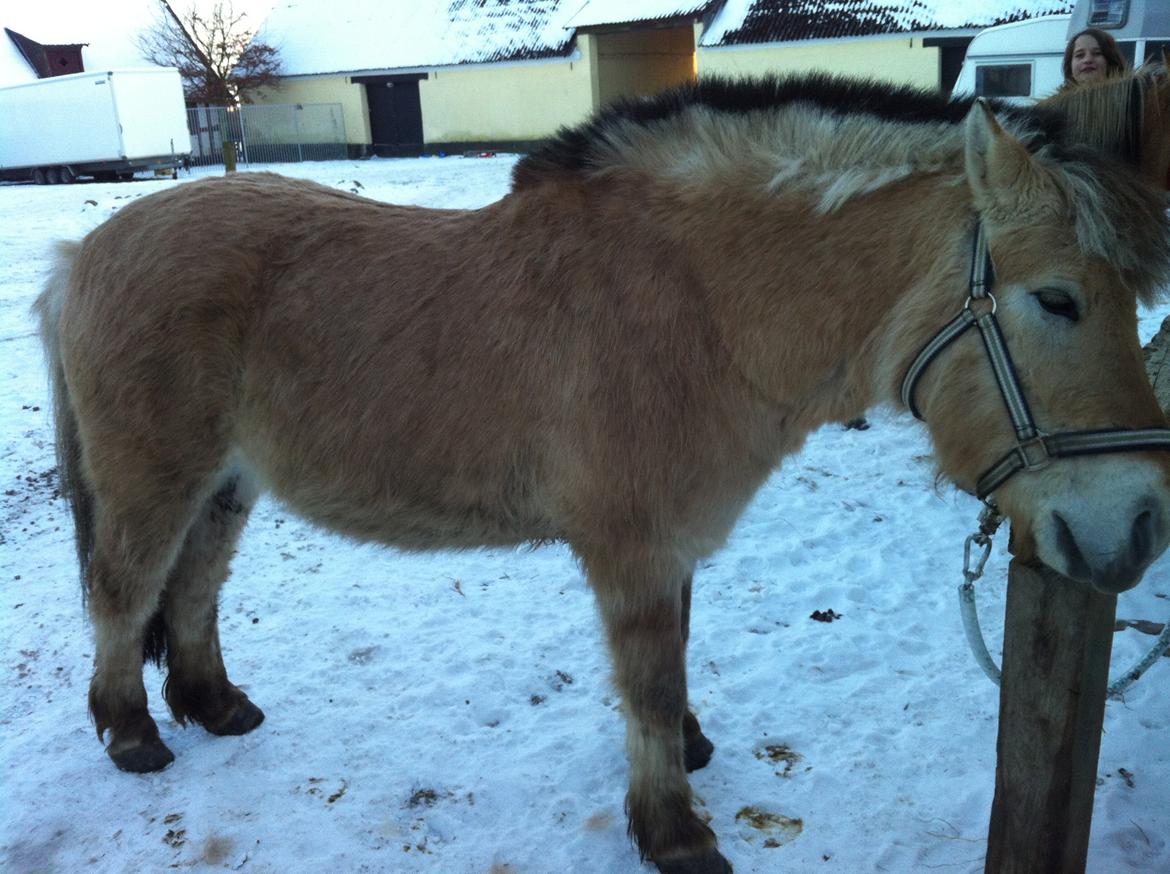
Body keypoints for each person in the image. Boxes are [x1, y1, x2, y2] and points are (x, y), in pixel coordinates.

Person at [1061, 28, 1128, 89]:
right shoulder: (1059, 102)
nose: (1087, 60)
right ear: (1070, 64)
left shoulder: (1131, 95)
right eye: (1080, 55)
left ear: (1110, 60)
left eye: (1097, 53)